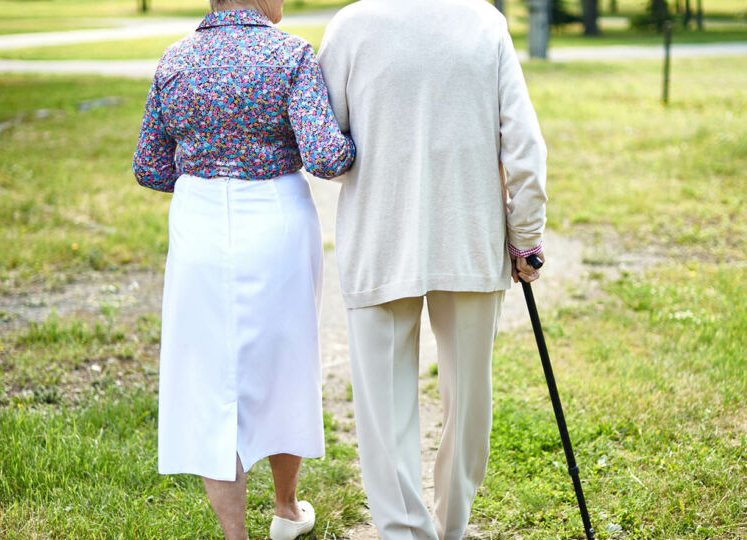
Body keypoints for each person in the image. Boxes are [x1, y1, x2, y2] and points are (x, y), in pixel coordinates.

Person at [316, 0, 549, 538]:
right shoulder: (485, 21)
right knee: (468, 400)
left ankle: (403, 531)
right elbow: (524, 146)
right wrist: (527, 238)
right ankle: (452, 526)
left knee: (384, 408)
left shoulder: (350, 25)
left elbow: (323, 145)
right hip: (467, 238)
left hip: (380, 238)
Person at [131, 0, 355, 538]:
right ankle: (285, 509)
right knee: (284, 360)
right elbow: (325, 158)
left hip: (199, 222)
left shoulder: (175, 60)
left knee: (209, 374)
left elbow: (149, 166)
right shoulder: (292, 55)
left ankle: (236, 535)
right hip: (276, 219)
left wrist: (209, 171)